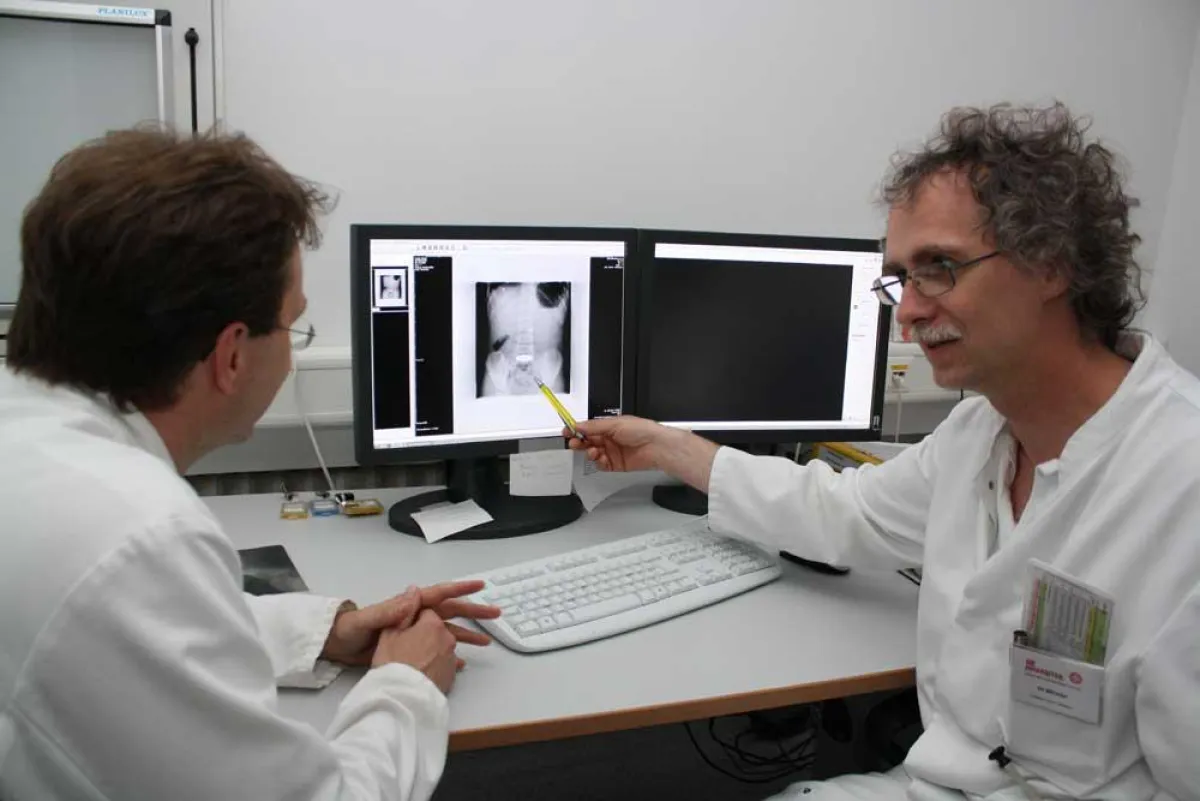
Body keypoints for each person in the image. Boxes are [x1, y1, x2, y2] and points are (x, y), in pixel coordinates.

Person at [570, 104, 1200, 800]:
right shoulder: (979, 435)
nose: (905, 311)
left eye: (939, 268)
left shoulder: (1179, 480)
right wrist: (664, 444)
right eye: (900, 277)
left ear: (1051, 264)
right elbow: (842, 512)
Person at [0, 128, 500, 800]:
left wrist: (325, 630)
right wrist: (405, 684)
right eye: (294, 325)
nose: (292, 352)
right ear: (232, 355)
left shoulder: (34, 440)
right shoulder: (139, 534)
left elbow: (143, 643)